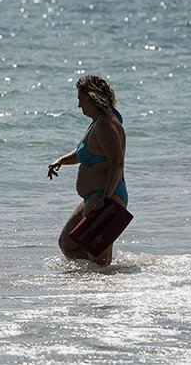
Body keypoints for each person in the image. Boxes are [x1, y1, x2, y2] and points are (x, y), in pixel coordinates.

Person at [47, 75, 127, 265]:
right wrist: (62, 160)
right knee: (68, 244)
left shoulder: (106, 124)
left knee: (99, 262)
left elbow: (117, 163)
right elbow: (87, 152)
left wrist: (105, 198)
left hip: (105, 196)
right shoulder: (97, 121)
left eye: (81, 100)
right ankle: (96, 279)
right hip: (94, 197)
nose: (79, 105)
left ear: (91, 98)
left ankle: (109, 281)